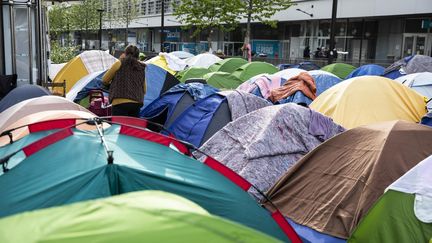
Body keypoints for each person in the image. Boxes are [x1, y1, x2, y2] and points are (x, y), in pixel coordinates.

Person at [102, 45, 146, 117]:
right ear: (138, 55)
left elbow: (104, 80)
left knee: (119, 127)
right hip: (136, 103)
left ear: (125, 53)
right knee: (132, 128)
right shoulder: (141, 67)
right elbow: (144, 89)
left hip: (119, 102)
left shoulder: (119, 63)